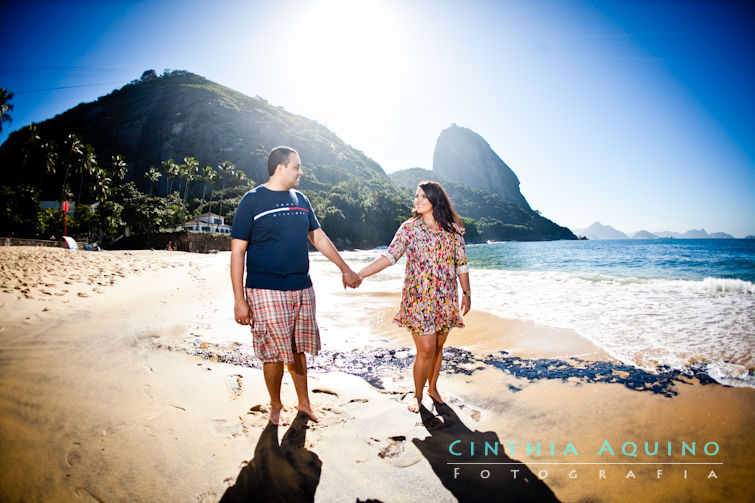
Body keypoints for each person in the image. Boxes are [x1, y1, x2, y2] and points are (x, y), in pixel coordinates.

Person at [230, 146, 361, 425]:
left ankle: (304, 403)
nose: (301, 172)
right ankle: (276, 404)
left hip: (302, 287)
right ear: (280, 167)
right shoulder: (252, 200)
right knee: (274, 352)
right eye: (296, 167)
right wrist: (239, 299)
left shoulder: (302, 200)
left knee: (298, 349)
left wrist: (345, 268)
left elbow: (318, 237)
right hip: (265, 289)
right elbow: (238, 251)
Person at [358, 181, 470, 413]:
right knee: (426, 349)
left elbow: (461, 265)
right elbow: (389, 256)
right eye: (416, 196)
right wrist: (359, 274)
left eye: (423, 196)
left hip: (445, 298)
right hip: (418, 298)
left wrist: (467, 293)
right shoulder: (409, 228)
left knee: (439, 347)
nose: (417, 200)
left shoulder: (453, 231)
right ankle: (417, 394)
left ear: (435, 200)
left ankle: (433, 388)